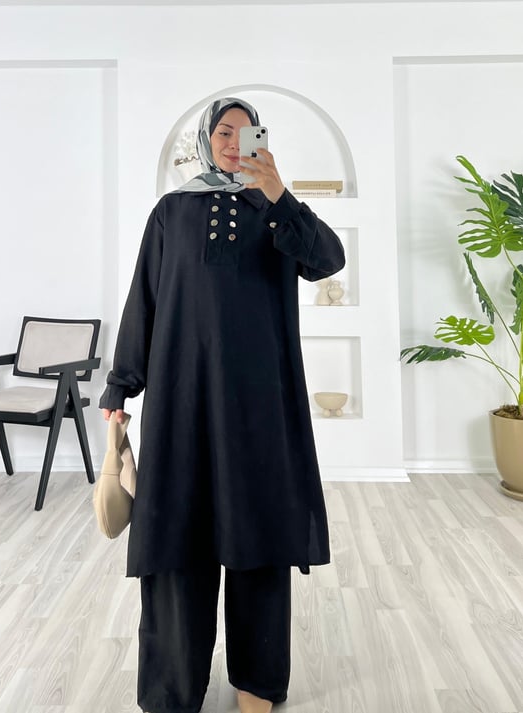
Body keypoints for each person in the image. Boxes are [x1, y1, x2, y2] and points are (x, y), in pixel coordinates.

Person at [100, 96, 346, 713]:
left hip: (260, 404)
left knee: (258, 535)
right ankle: (171, 689)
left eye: (248, 133)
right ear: (206, 140)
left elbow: (328, 260)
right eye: (225, 133)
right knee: (177, 539)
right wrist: (121, 386)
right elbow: (143, 300)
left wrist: (279, 196)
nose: (236, 144)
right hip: (180, 401)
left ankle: (258, 683)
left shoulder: (278, 212)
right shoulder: (171, 212)